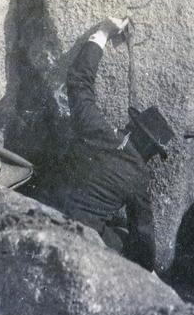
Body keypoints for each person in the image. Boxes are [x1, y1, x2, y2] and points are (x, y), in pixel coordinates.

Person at [59, 16, 156, 270]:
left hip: (46, 210)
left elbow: (78, 83)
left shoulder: (98, 130)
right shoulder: (139, 176)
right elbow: (143, 234)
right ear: (150, 152)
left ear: (131, 128)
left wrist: (102, 32)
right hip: (81, 237)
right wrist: (148, 275)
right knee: (122, 238)